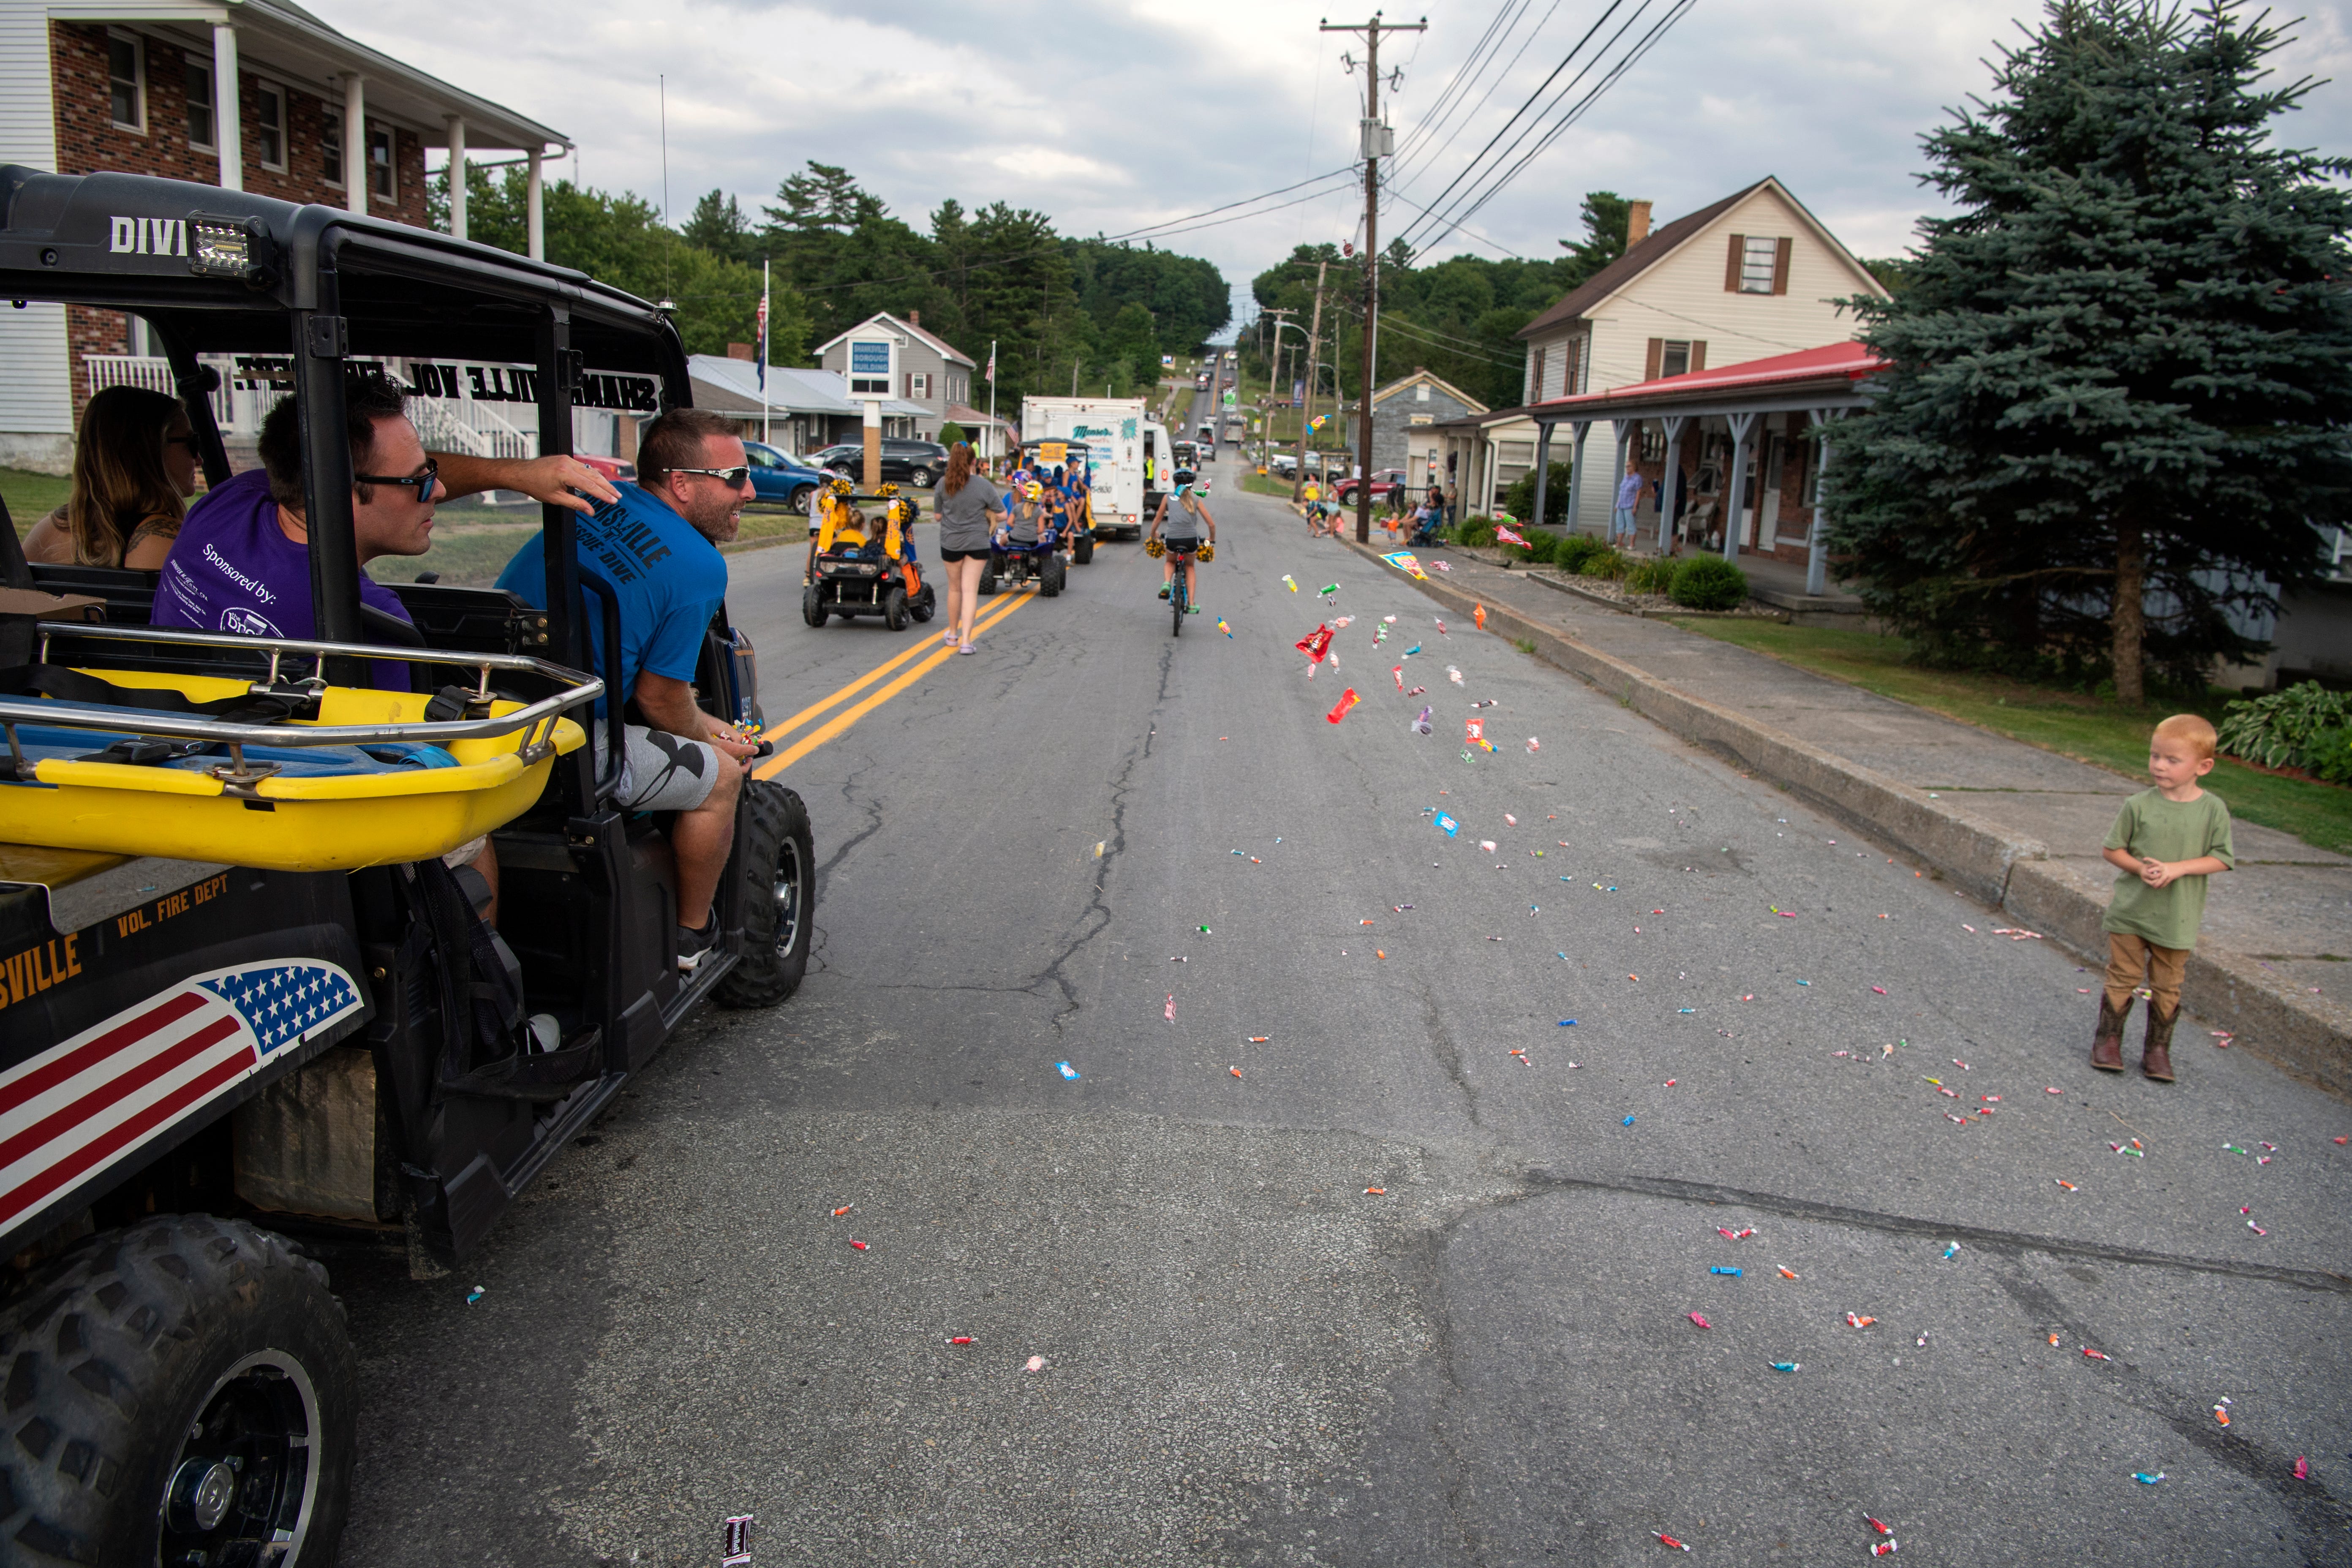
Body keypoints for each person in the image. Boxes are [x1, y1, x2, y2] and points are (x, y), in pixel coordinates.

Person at [153, 376, 618, 924]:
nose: (439, 491)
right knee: (467, 834)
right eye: (420, 483)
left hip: (184, 751)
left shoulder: (231, 502)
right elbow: (412, 771)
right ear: (338, 488)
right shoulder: (367, 623)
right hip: (297, 799)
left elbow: (376, 469)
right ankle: (474, 991)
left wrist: (514, 474)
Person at [496, 408, 760, 971]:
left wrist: (701, 725)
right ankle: (693, 935)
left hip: (498, 703)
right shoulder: (699, 565)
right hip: (559, 741)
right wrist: (715, 743)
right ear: (682, 485)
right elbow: (659, 699)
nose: (750, 490)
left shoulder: (597, 501)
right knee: (723, 779)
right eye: (736, 477)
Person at [2089, 713, 2236, 1082]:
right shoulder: (2138, 804)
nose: (2159, 765)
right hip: (2131, 911)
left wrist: (2177, 868)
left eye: (2173, 760)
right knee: (2123, 974)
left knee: (2168, 983)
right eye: (2156, 756)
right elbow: (2112, 850)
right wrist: (2140, 869)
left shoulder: (2212, 810)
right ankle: (2107, 1040)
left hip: (2177, 917)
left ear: (2203, 767)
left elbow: (2221, 858)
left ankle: (2157, 1050)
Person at [22, 385, 199, 569]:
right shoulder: (169, 541)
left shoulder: (48, 532)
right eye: (191, 443)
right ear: (148, 450)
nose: (199, 459)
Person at [931, 440, 1013, 655]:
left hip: (951, 542)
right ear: (974, 462)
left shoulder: (942, 484)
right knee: (970, 591)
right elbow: (1003, 514)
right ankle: (967, 641)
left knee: (954, 588)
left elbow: (938, 516)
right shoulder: (983, 485)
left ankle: (952, 634)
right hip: (977, 542)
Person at [1148, 468, 1215, 604]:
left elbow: (1157, 519)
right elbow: (1211, 524)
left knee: (1170, 562)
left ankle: (1167, 582)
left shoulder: (1168, 498)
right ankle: (1191, 604)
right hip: (1191, 540)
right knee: (1190, 567)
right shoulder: (1196, 499)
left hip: (1172, 539)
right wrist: (1211, 539)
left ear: (1175, 484)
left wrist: (1153, 535)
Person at [1612, 462, 1644, 544]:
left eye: (1629, 466)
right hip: (1621, 504)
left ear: (1634, 467)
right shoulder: (1625, 478)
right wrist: (1617, 504)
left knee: (1630, 525)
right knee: (1620, 524)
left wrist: (1635, 507)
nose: (1627, 468)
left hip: (1630, 505)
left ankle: (1632, 544)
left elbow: (1638, 493)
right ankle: (1619, 542)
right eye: (1626, 467)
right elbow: (1621, 492)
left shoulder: (1637, 478)